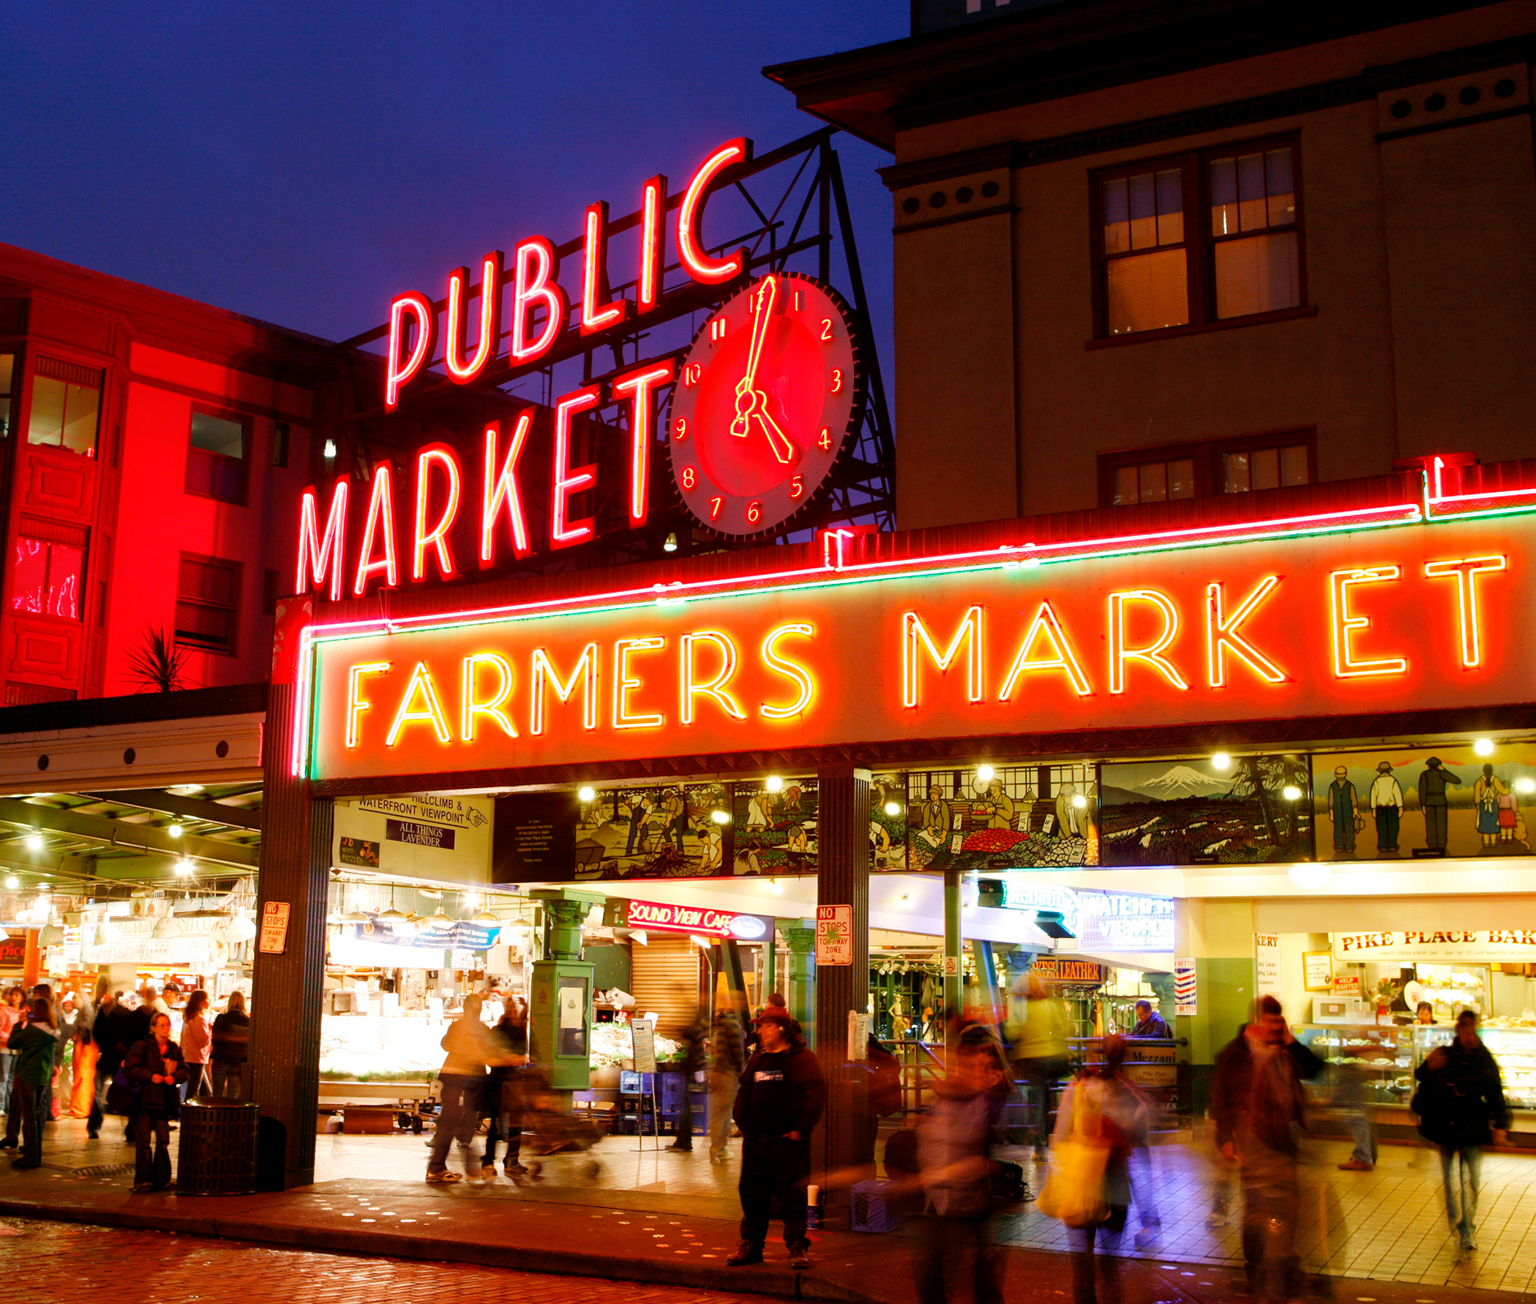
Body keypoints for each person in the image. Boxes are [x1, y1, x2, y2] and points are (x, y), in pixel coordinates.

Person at [1210, 996, 1326, 1301]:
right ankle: (1258, 1266)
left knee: (1286, 1204)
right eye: (1272, 1022)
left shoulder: (1284, 1050)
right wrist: (1224, 1138)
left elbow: (1315, 1069)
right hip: (1251, 1140)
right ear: (1257, 1022)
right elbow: (1220, 1097)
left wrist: (1290, 1040)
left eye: (1280, 1022)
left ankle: (1281, 1263)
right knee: (1256, 1205)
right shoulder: (1234, 1053)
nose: (1277, 1028)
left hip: (1284, 1139)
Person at [1052, 1035, 1153, 1303]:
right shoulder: (1131, 1096)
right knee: (1110, 1269)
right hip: (1115, 1186)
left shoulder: (1076, 1090)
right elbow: (1140, 1139)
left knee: (1082, 1270)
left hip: (1081, 1184)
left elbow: (1059, 1139)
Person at [912, 1036, 1009, 1304]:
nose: (973, 1072)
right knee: (932, 1270)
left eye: (980, 1066)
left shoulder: (984, 1104)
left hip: (972, 1201)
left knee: (979, 1276)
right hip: (941, 1202)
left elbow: (978, 1155)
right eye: (967, 1065)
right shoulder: (949, 1098)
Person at [728, 1007, 826, 1271]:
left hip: (787, 1144)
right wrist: (744, 1124)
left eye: (767, 1026)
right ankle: (751, 1245)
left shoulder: (802, 1059)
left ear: (782, 1028)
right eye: (761, 1027)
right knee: (752, 1195)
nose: (761, 1031)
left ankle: (796, 1246)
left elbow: (815, 1096)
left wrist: (800, 1130)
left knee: (792, 1197)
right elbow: (743, 1094)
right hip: (756, 1142)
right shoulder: (758, 1060)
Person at [1414, 1009, 1509, 1252]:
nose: (1467, 1032)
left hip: (1472, 1127)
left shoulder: (1483, 1059)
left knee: (1470, 1181)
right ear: (1458, 1029)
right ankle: (1456, 1221)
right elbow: (1421, 1075)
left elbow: (1495, 1093)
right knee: (1449, 1180)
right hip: (1446, 1125)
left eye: (1471, 1027)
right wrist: (1429, 1066)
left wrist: (1500, 1125)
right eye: (1463, 1027)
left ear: (1475, 1029)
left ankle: (1466, 1228)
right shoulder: (1445, 1054)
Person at [427, 993, 500, 1185]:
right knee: (465, 1122)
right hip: (471, 1081)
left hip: (454, 1079)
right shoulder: (483, 1029)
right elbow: (488, 1055)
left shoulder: (457, 1026)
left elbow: (445, 1045)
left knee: (450, 1122)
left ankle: (447, 1167)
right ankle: (445, 1168)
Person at [1004, 971, 1069, 1160]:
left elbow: (1013, 1032)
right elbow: (1059, 1028)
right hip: (1052, 1057)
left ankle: (1040, 1147)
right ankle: (1051, 1137)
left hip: (1032, 1060)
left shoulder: (1024, 1009)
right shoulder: (1049, 1005)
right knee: (1047, 1102)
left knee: (1037, 1103)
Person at [124, 1011, 187, 1191]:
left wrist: (173, 1077)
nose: (166, 1028)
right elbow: (131, 1068)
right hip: (144, 1099)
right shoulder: (142, 1046)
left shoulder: (174, 1048)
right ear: (153, 1028)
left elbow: (184, 1070)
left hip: (164, 1101)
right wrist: (150, 1076)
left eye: (168, 1025)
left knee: (163, 1141)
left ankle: (162, 1178)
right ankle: (144, 1180)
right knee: (143, 1142)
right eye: (162, 1025)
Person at [6, 999, 59, 1171]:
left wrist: (18, 1024)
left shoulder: (32, 1030)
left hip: (28, 1075)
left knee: (28, 1117)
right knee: (35, 1115)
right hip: (43, 1077)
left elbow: (12, 1043)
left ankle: (31, 1157)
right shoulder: (52, 1031)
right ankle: (36, 1154)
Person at [483, 996, 529, 1179]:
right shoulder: (502, 1031)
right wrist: (511, 1059)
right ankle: (495, 1161)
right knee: (499, 1124)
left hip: (509, 1081)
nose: (514, 1011)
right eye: (512, 1008)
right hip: (502, 1081)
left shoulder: (519, 1031)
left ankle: (504, 1161)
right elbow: (492, 1056)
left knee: (509, 1123)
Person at [708, 1007, 746, 1164]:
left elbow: (716, 1051)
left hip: (718, 1072)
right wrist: (741, 1071)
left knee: (719, 1113)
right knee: (722, 1114)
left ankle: (719, 1148)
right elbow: (737, 1052)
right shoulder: (732, 1025)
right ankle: (718, 1149)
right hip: (727, 1073)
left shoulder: (719, 1027)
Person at [671, 1002, 709, 1152]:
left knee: (686, 1106)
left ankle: (684, 1141)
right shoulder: (700, 1022)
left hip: (692, 1069)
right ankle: (683, 1140)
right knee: (685, 1105)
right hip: (693, 1068)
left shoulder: (698, 1025)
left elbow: (691, 1033)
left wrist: (682, 1029)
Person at [85, 986, 117, 1138]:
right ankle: (94, 1125)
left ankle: (94, 1125)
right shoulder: (105, 1015)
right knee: (97, 1092)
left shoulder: (113, 1015)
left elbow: (96, 1032)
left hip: (109, 1058)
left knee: (99, 1091)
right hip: (109, 1058)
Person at [209, 990, 249, 1099]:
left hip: (220, 1059)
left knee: (217, 1093)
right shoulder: (248, 1021)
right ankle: (231, 1115)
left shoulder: (221, 1018)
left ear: (230, 1002)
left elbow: (214, 1039)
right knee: (233, 1095)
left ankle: (216, 1114)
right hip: (237, 1061)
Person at [1418, 757, 1461, 853]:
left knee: (1430, 825)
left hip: (1428, 802)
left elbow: (1422, 790)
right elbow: (1457, 780)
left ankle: (1432, 845)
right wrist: (1444, 770)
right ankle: (1442, 844)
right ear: (1438, 765)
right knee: (1441, 825)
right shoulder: (1442, 774)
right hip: (1441, 801)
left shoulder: (1424, 774)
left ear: (1428, 765)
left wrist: (1423, 804)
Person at [178, 990, 212, 1100]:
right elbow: (203, 1042)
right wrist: (210, 1031)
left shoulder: (189, 1017)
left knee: (205, 1091)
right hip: (196, 1059)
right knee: (193, 1091)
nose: (209, 1001)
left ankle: (200, 1113)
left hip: (189, 1056)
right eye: (207, 999)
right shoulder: (199, 1019)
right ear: (201, 1001)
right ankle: (188, 1114)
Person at [0, 986, 25, 1120]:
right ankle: (1, 1105)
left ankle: (9, 1105)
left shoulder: (23, 1012)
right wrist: (9, 1039)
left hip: (17, 1049)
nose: (14, 998)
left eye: (17, 995)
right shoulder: (5, 1011)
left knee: (12, 1078)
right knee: (3, 1077)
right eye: (13, 995)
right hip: (4, 1047)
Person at [1369, 760, 1404, 852]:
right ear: (1389, 770)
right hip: (1392, 808)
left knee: (1381, 828)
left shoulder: (1376, 781)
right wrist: (1400, 807)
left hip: (1380, 808)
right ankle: (1392, 845)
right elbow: (1397, 794)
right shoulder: (1393, 780)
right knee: (1393, 828)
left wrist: (1373, 809)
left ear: (1380, 771)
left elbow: (1373, 796)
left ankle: (1383, 846)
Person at [1327, 765, 1360, 853]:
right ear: (1345, 774)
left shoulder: (1333, 786)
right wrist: (1355, 811)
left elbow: (1331, 801)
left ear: (1335, 774)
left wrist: (1331, 812)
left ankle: (1339, 846)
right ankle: (1349, 846)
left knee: (1338, 828)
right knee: (1348, 828)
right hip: (1347, 810)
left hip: (1338, 810)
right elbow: (1354, 799)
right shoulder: (1350, 785)